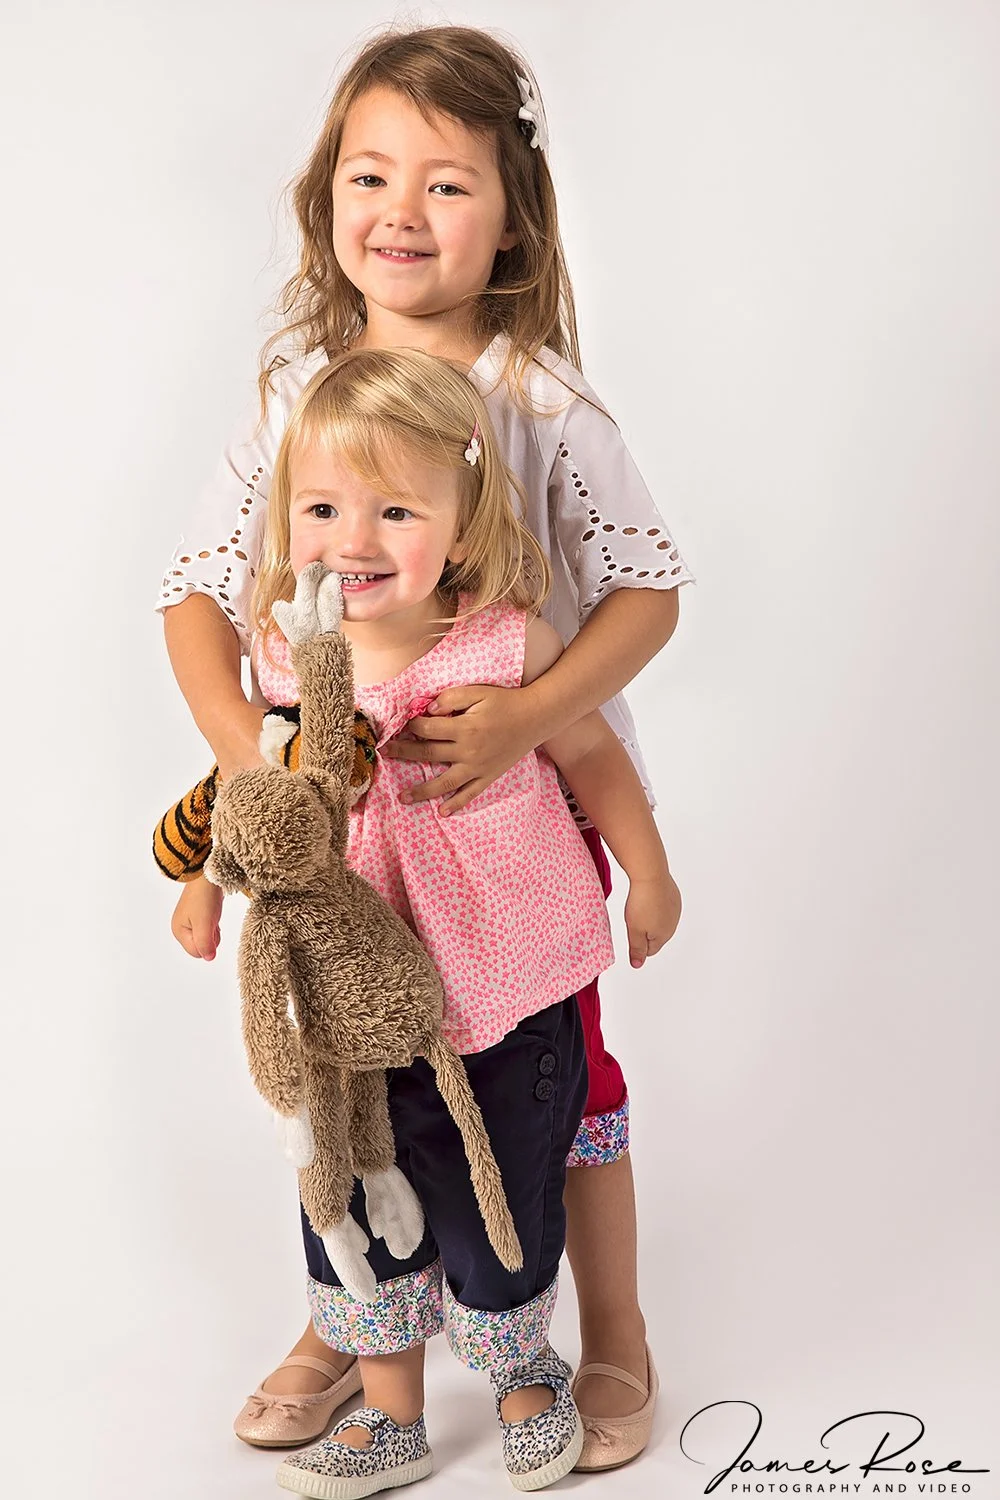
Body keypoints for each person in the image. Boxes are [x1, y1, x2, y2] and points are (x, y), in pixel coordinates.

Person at [160, 23, 694, 1473]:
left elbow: (646, 593)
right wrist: (260, 755)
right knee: (350, 1058)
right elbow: (197, 602)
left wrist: (525, 714)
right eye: (370, 175)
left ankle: (613, 1334)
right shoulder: (294, 400)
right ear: (325, 199)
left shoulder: (541, 400)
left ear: (513, 215)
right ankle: (358, 1326)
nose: (402, 212)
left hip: (512, 791)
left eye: (448, 184)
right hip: (347, 825)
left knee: (551, 1072)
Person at [228, 344, 680, 1494]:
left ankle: (524, 1377)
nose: (353, 540)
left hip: (502, 982)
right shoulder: (287, 662)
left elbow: (595, 757)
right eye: (323, 508)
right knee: (359, 1186)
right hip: (354, 1005)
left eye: (395, 510)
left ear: (462, 531)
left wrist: (649, 871)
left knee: (501, 1188)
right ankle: (391, 1411)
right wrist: (199, 887)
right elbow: (251, 803)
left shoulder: (500, 646)